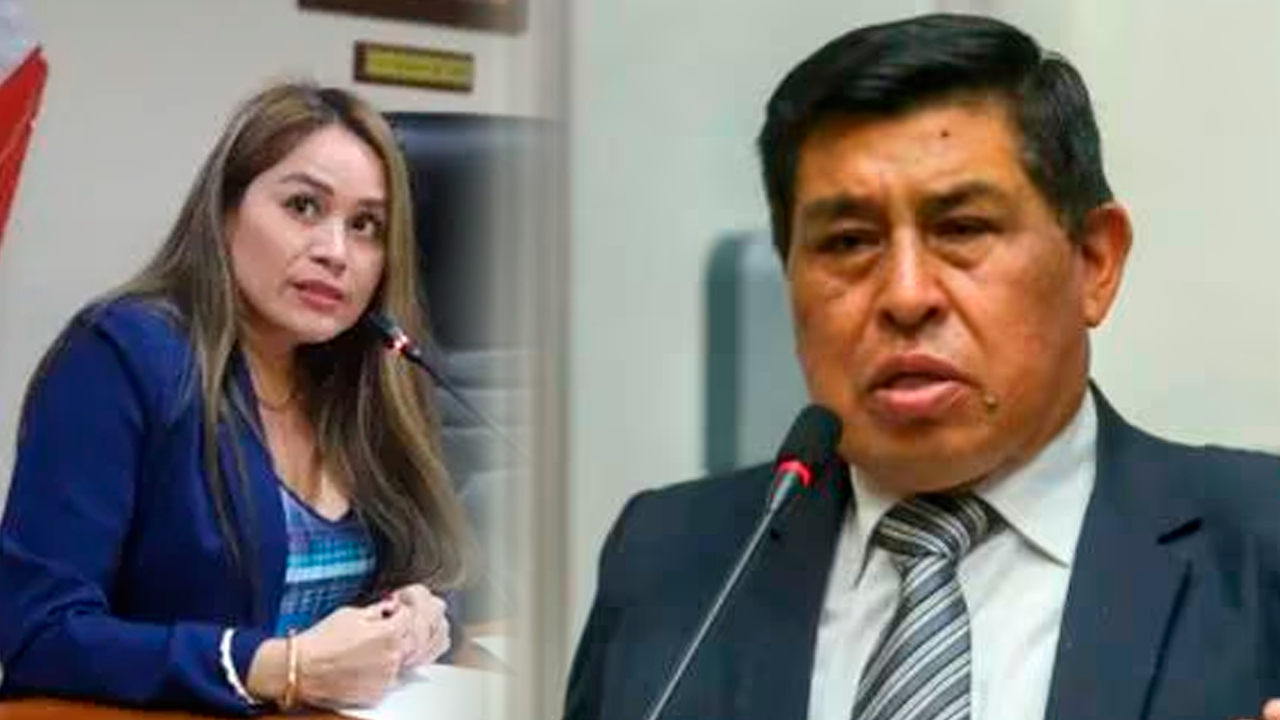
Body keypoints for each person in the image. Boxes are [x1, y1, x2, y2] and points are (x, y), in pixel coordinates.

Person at [563, 13, 1280, 720]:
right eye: (849, 242)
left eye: (962, 229)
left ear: (1094, 261)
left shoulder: (1260, 545)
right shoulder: (670, 559)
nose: (906, 297)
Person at [0, 81, 475, 714]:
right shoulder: (121, 355)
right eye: (303, 206)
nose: (336, 252)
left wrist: (421, 615)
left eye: (365, 226)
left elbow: (436, 566)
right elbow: (39, 633)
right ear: (225, 212)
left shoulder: (373, 372)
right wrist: (280, 667)